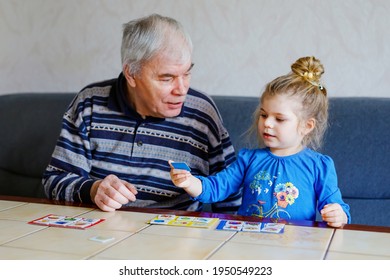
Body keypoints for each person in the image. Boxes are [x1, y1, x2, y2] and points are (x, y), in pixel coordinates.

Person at [42, 14, 242, 213]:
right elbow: (55, 181)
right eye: (167, 78)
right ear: (132, 73)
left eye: (187, 73)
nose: (182, 89)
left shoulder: (202, 113)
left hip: (174, 236)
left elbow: (231, 195)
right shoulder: (89, 104)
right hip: (102, 232)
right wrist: (93, 190)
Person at [170, 56, 351, 227]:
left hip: (295, 251)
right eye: (264, 115)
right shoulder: (248, 160)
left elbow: (336, 206)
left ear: (306, 126)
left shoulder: (320, 165)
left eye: (279, 119)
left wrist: (338, 215)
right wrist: (189, 182)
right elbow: (216, 187)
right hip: (249, 243)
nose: (267, 123)